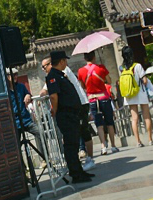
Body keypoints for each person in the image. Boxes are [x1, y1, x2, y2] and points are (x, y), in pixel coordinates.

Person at [45, 51, 94, 184]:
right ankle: (76, 174)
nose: (66, 63)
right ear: (60, 61)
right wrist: (54, 109)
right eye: (64, 60)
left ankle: (79, 170)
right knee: (71, 146)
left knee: (74, 143)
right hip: (65, 115)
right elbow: (54, 96)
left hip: (72, 114)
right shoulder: (52, 76)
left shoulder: (61, 75)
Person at [77, 54, 117, 155]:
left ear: (84, 58)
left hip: (92, 99)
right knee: (109, 122)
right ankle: (113, 145)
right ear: (94, 57)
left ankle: (103, 146)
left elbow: (82, 86)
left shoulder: (81, 71)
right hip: (103, 97)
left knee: (98, 124)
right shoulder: (101, 67)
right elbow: (109, 81)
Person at [119, 47, 153, 147]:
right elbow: (145, 80)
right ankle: (150, 139)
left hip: (130, 94)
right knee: (146, 116)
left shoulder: (121, 68)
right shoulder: (137, 66)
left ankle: (138, 141)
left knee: (134, 119)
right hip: (140, 92)